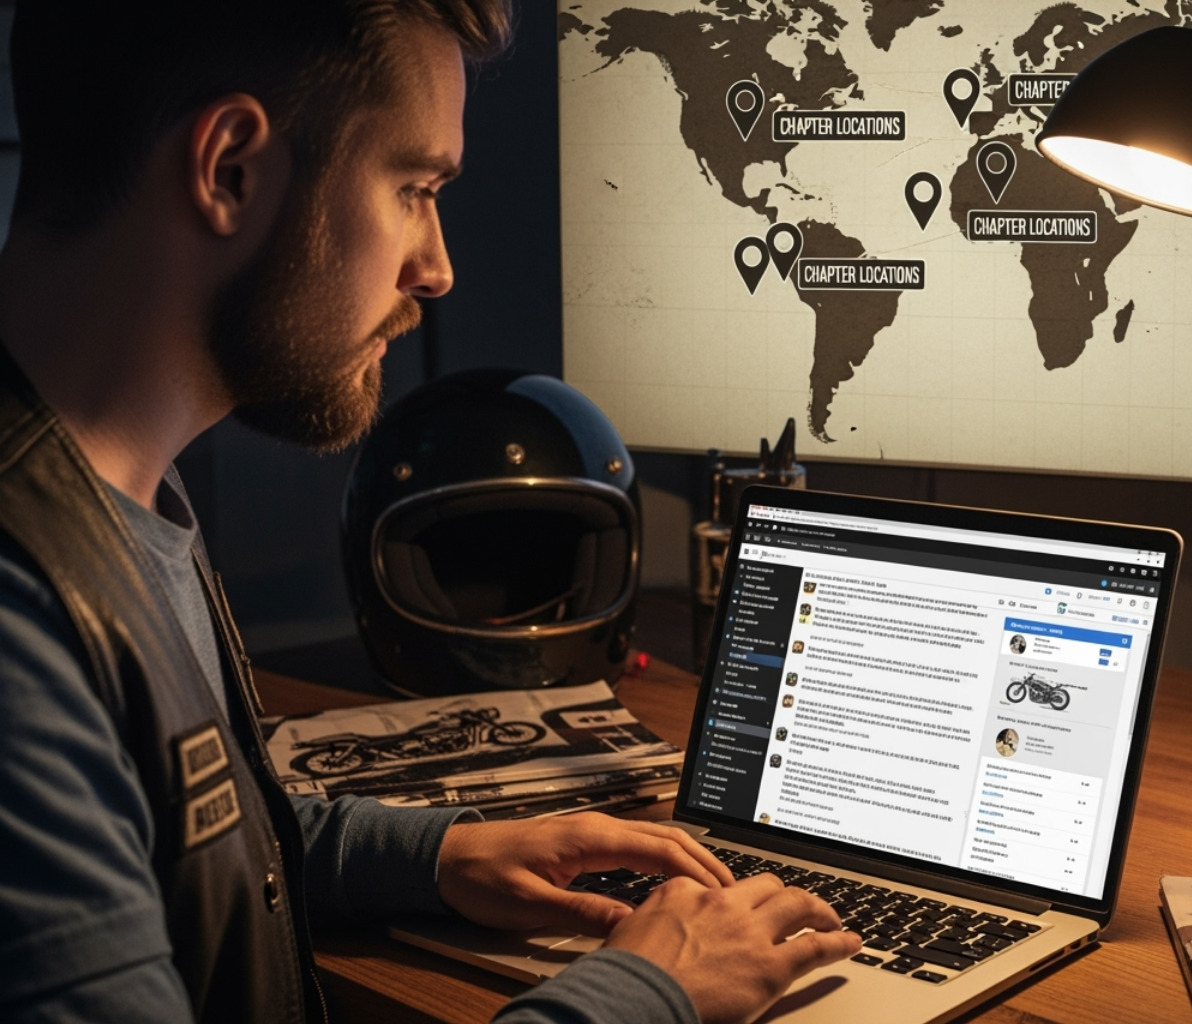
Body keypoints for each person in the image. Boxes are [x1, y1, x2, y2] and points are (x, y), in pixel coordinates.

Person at [0, 3, 858, 1023]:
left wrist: (440, 852)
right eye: (414, 188)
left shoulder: (111, 493)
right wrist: (647, 991)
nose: (437, 268)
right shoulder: (22, 615)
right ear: (230, 168)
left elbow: (183, 845)